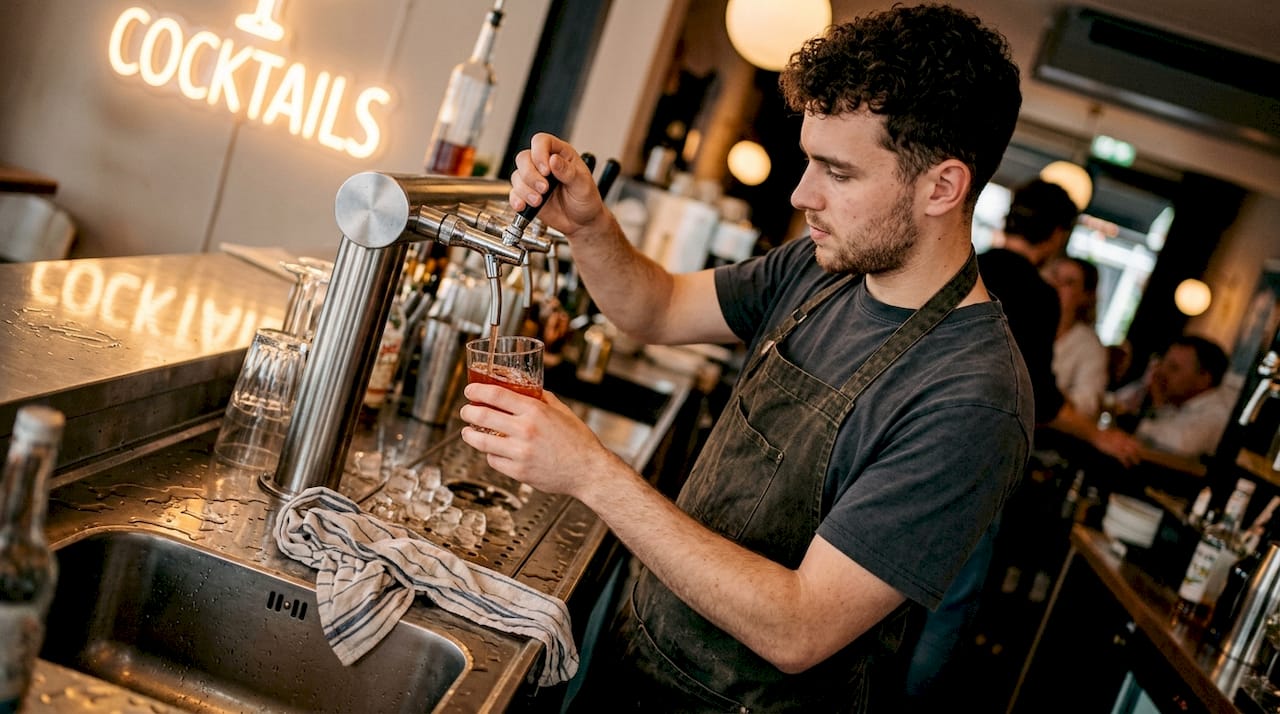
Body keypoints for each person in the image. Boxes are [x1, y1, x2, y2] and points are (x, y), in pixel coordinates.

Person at [463, 5, 1033, 710]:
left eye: (839, 173)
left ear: (941, 187)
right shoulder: (823, 268)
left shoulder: (972, 400)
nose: (802, 196)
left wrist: (589, 472)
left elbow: (801, 625)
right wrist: (589, 227)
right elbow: (658, 307)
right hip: (637, 659)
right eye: (808, 162)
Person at [1112, 334, 1235, 460]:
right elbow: (1115, 402)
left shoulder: (1218, 413)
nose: (1161, 372)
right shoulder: (1177, 398)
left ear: (1204, 379)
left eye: (1174, 368)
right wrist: (1152, 400)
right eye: (1163, 363)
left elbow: (1182, 446)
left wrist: (1134, 422)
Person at [1043, 255, 1108, 420]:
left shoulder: (1089, 346)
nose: (1056, 285)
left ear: (1084, 296)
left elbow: (1087, 404)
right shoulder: (1023, 321)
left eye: (1069, 283)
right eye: (1055, 276)